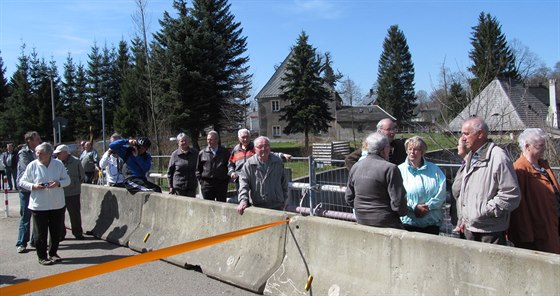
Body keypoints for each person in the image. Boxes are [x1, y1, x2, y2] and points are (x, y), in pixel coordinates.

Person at [458, 117, 520, 245]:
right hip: (470, 228)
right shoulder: (471, 156)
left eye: (466, 134)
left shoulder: (498, 157)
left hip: (490, 232)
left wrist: (483, 212)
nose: (462, 138)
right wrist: (465, 218)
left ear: (480, 134)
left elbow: (511, 195)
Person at [508, 128, 560, 254]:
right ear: (527, 146)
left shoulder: (542, 165)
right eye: (540, 146)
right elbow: (520, 207)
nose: (544, 149)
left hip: (552, 222)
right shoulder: (520, 169)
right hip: (539, 229)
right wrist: (527, 235)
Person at [18, 142, 70, 265]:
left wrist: (58, 183)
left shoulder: (58, 164)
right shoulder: (32, 165)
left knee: (55, 231)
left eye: (41, 153)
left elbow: (67, 180)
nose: (38, 156)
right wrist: (33, 186)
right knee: (40, 233)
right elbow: (22, 182)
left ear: (49, 154)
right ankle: (42, 256)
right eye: (37, 153)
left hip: (57, 204)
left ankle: (53, 253)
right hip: (39, 205)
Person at [345, 132, 407, 229]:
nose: (390, 149)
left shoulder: (356, 166)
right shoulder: (390, 168)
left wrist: (363, 210)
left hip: (361, 219)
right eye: (388, 147)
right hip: (386, 220)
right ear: (383, 150)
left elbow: (349, 198)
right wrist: (402, 213)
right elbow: (398, 202)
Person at [398, 136, 447, 235]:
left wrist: (428, 207)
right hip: (408, 222)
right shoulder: (399, 170)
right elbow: (398, 194)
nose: (412, 152)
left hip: (431, 221)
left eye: (416, 149)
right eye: (410, 149)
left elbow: (441, 192)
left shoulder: (435, 169)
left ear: (422, 152)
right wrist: (414, 207)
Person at [228, 129, 291, 196]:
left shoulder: (256, 147)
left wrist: (282, 155)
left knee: (253, 198)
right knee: (242, 198)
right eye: (243, 137)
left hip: (253, 178)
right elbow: (230, 163)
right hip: (240, 179)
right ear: (239, 138)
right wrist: (232, 172)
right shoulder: (236, 149)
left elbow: (268, 153)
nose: (245, 139)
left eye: (247, 137)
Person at [237, 136, 288, 215]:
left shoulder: (278, 162)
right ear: (255, 149)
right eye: (260, 147)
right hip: (258, 206)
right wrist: (243, 200)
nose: (264, 149)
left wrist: (286, 200)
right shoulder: (249, 164)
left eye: (266, 146)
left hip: (277, 206)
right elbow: (243, 184)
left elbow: (284, 183)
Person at [16, 131, 42, 253]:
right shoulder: (23, 153)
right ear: (29, 141)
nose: (39, 141)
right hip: (26, 189)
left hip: (37, 188)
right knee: (25, 217)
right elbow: (29, 168)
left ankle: (35, 241)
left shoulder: (40, 152)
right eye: (37, 139)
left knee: (37, 217)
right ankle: (21, 243)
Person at [54, 144, 85, 240]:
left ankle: (78, 233)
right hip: (60, 192)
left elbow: (82, 176)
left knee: (75, 214)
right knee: (59, 215)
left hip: (73, 192)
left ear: (65, 153)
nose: (57, 155)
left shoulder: (76, 161)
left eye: (59, 153)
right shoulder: (56, 162)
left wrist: (75, 184)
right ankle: (60, 234)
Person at [196, 131, 230, 202]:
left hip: (221, 185)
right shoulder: (202, 153)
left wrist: (226, 180)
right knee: (208, 208)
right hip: (207, 185)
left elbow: (229, 166)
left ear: (217, 140)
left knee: (221, 206)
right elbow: (198, 169)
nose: (208, 141)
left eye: (211, 139)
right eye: (208, 139)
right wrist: (202, 182)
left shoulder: (225, 152)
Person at [167, 133, 199, 197]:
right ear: (178, 143)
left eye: (186, 140)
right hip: (179, 187)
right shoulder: (174, 155)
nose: (184, 142)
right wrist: (170, 186)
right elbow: (170, 172)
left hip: (191, 187)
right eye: (181, 141)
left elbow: (199, 168)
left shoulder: (195, 153)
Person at [451, 138, 469, 236]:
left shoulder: (471, 165)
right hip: (461, 219)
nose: (457, 147)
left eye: (459, 145)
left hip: (467, 221)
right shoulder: (466, 164)